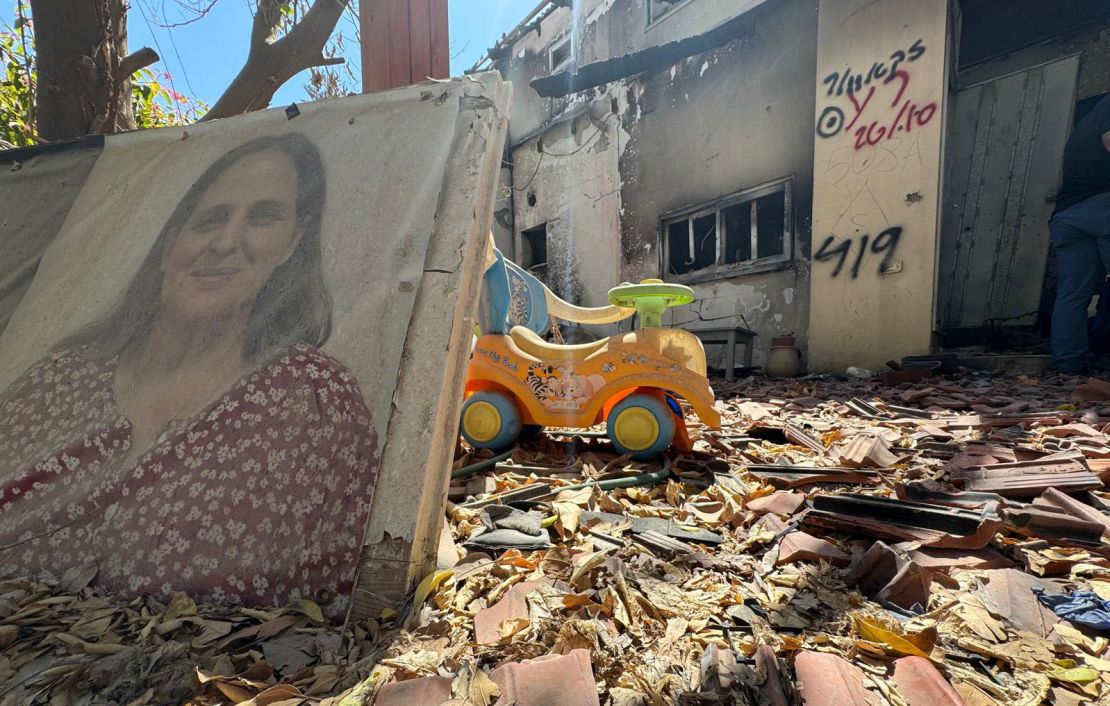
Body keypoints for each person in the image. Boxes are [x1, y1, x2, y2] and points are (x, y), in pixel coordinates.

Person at [0, 134, 378, 618]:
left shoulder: (312, 401)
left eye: (262, 218)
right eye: (210, 219)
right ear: (171, 241)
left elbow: (336, 605)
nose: (224, 243)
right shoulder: (57, 383)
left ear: (293, 243)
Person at [1051, 95, 1110, 374]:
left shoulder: (1086, 124)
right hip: (1103, 205)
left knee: (1072, 296)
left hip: (1067, 215)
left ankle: (1068, 365)